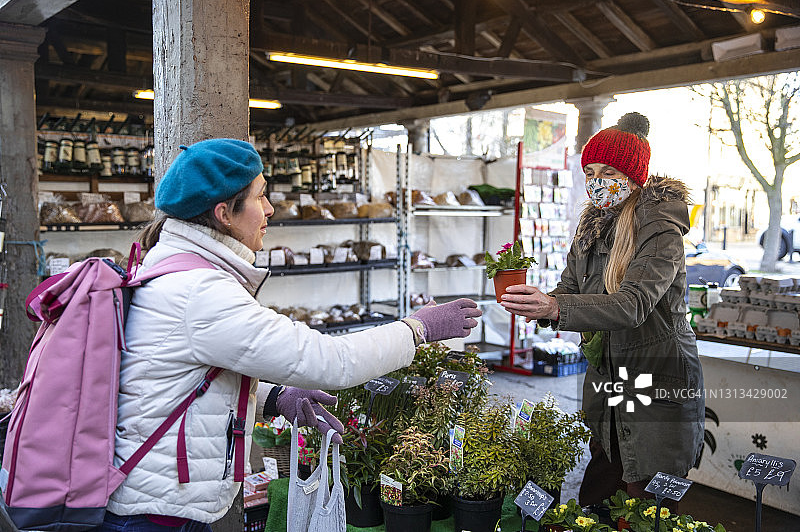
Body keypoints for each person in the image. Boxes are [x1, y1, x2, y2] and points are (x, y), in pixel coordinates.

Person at [97, 138, 482, 531]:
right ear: (224, 213)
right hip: (154, 515)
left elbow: (181, 378)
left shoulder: (171, 271)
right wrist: (417, 329)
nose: (269, 209)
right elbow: (331, 361)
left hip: (154, 500)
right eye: (260, 196)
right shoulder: (200, 291)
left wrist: (275, 398)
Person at [500, 113, 704, 509]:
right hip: (609, 380)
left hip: (655, 378)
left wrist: (558, 307)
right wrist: (538, 304)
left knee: (646, 501)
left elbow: (633, 304)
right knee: (597, 494)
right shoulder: (592, 225)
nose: (596, 180)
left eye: (607, 170)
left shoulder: (660, 228)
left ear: (632, 174)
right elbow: (571, 289)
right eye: (590, 170)